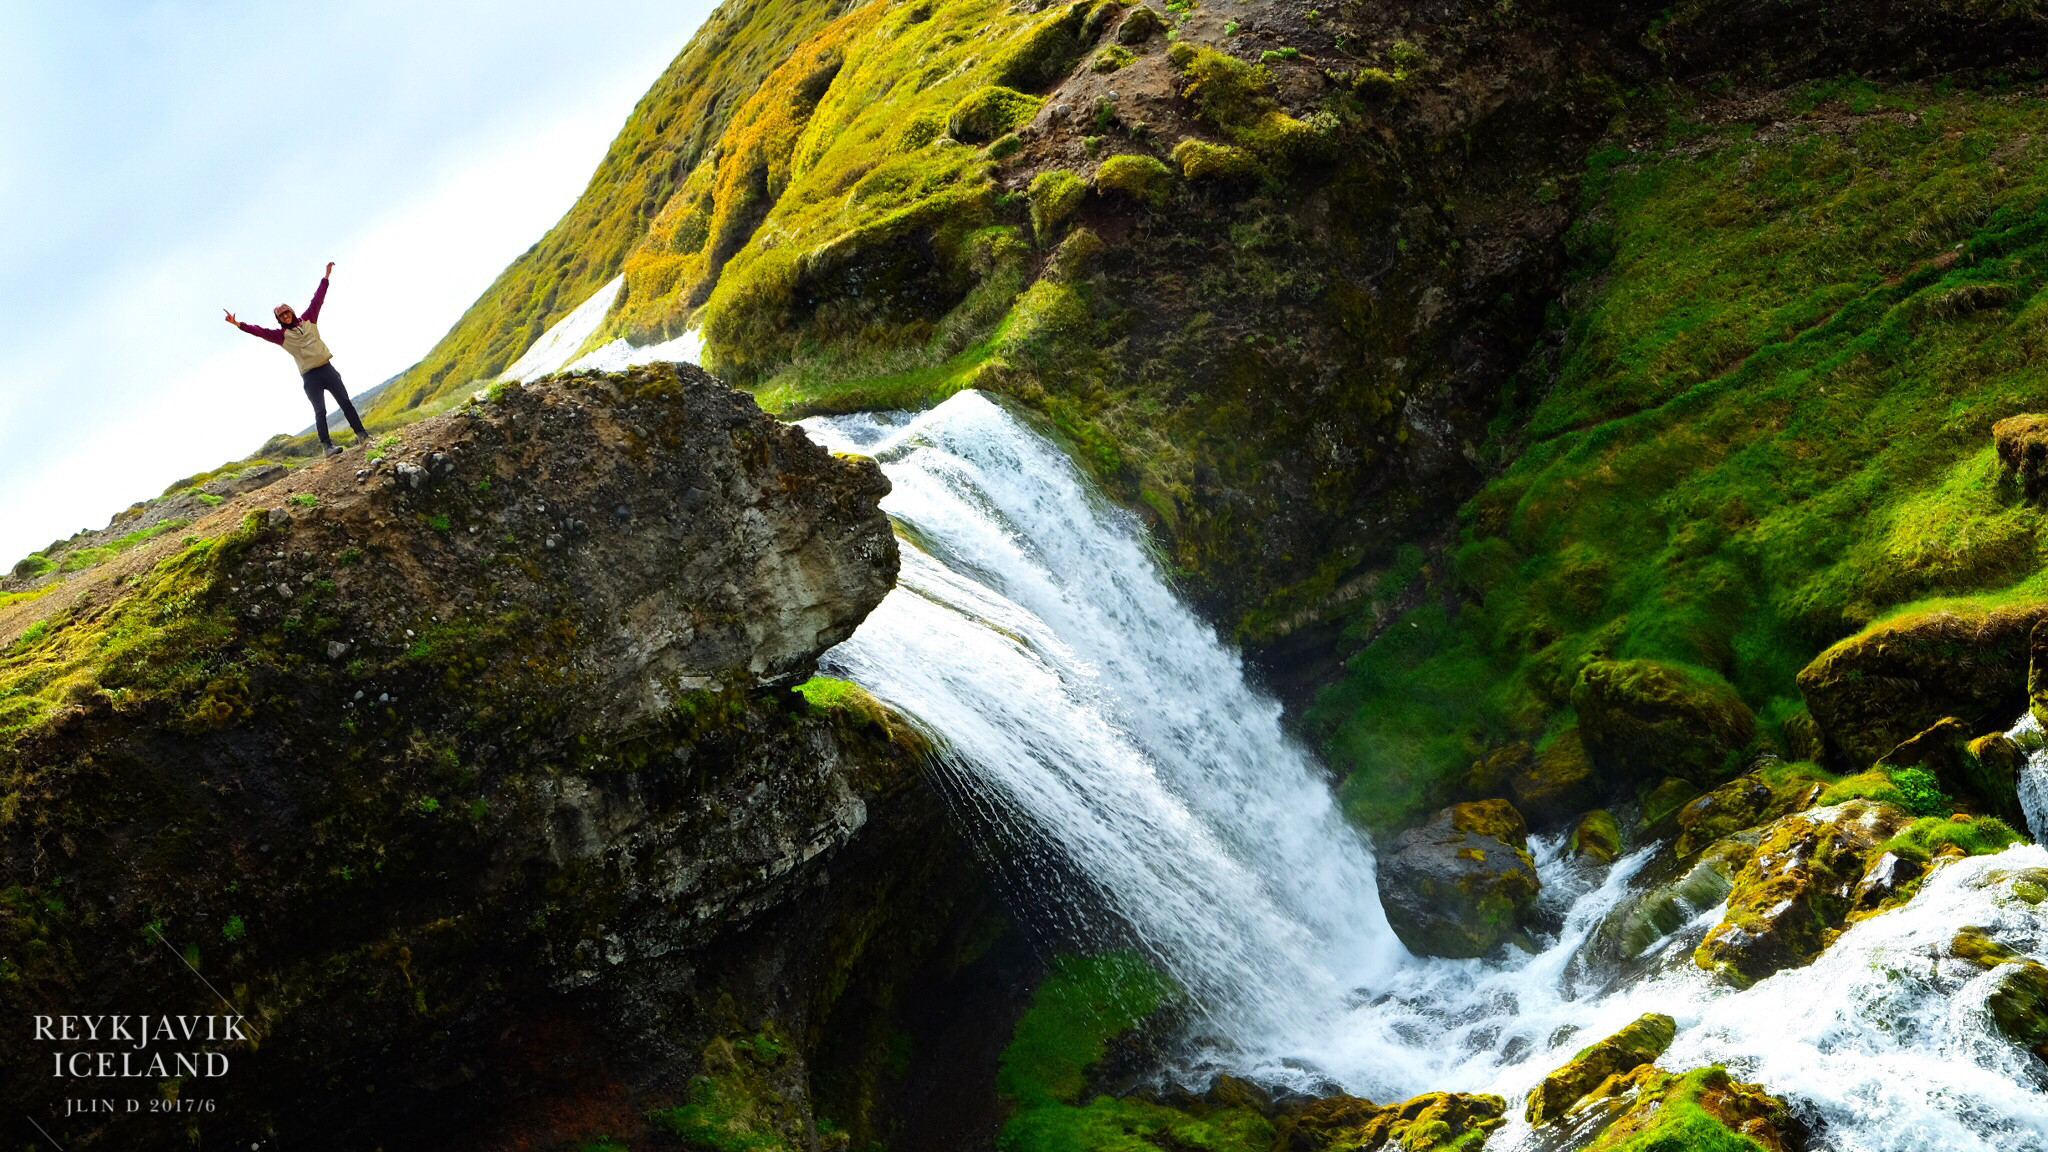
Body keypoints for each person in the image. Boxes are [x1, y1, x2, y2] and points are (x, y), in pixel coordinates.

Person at [225, 262, 368, 456]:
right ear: (278, 319)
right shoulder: (280, 336)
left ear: (291, 310)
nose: (284, 316)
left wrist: (326, 277)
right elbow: (259, 332)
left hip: (327, 369)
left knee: (345, 403)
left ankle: (362, 435)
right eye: (280, 315)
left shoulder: (309, 319)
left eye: (286, 311)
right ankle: (327, 447)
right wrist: (238, 324)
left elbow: (318, 299)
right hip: (311, 377)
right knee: (320, 412)